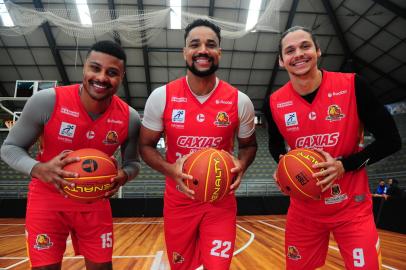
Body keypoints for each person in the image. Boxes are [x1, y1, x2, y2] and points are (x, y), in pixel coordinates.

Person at [263, 26, 401, 269]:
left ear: (318, 50)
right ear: (281, 61)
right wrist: (283, 166)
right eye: (290, 50)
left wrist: (343, 166)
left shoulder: (352, 85)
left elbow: (391, 140)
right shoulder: (274, 103)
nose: (299, 54)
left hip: (352, 208)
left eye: (305, 46)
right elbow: (275, 146)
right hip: (304, 211)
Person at [0, 40, 141, 270]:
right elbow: (10, 147)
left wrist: (123, 175)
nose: (102, 77)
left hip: (95, 201)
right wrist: (38, 168)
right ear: (84, 68)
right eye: (95, 68)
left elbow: (133, 163)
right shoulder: (47, 101)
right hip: (47, 200)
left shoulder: (130, 117)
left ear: (121, 77)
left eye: (112, 72)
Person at [139, 19, 257, 269]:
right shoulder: (162, 97)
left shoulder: (240, 101)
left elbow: (248, 146)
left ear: (219, 53)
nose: (203, 50)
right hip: (179, 201)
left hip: (220, 201)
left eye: (210, 44)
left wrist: (241, 164)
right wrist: (170, 170)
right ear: (185, 52)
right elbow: (146, 146)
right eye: (195, 44)